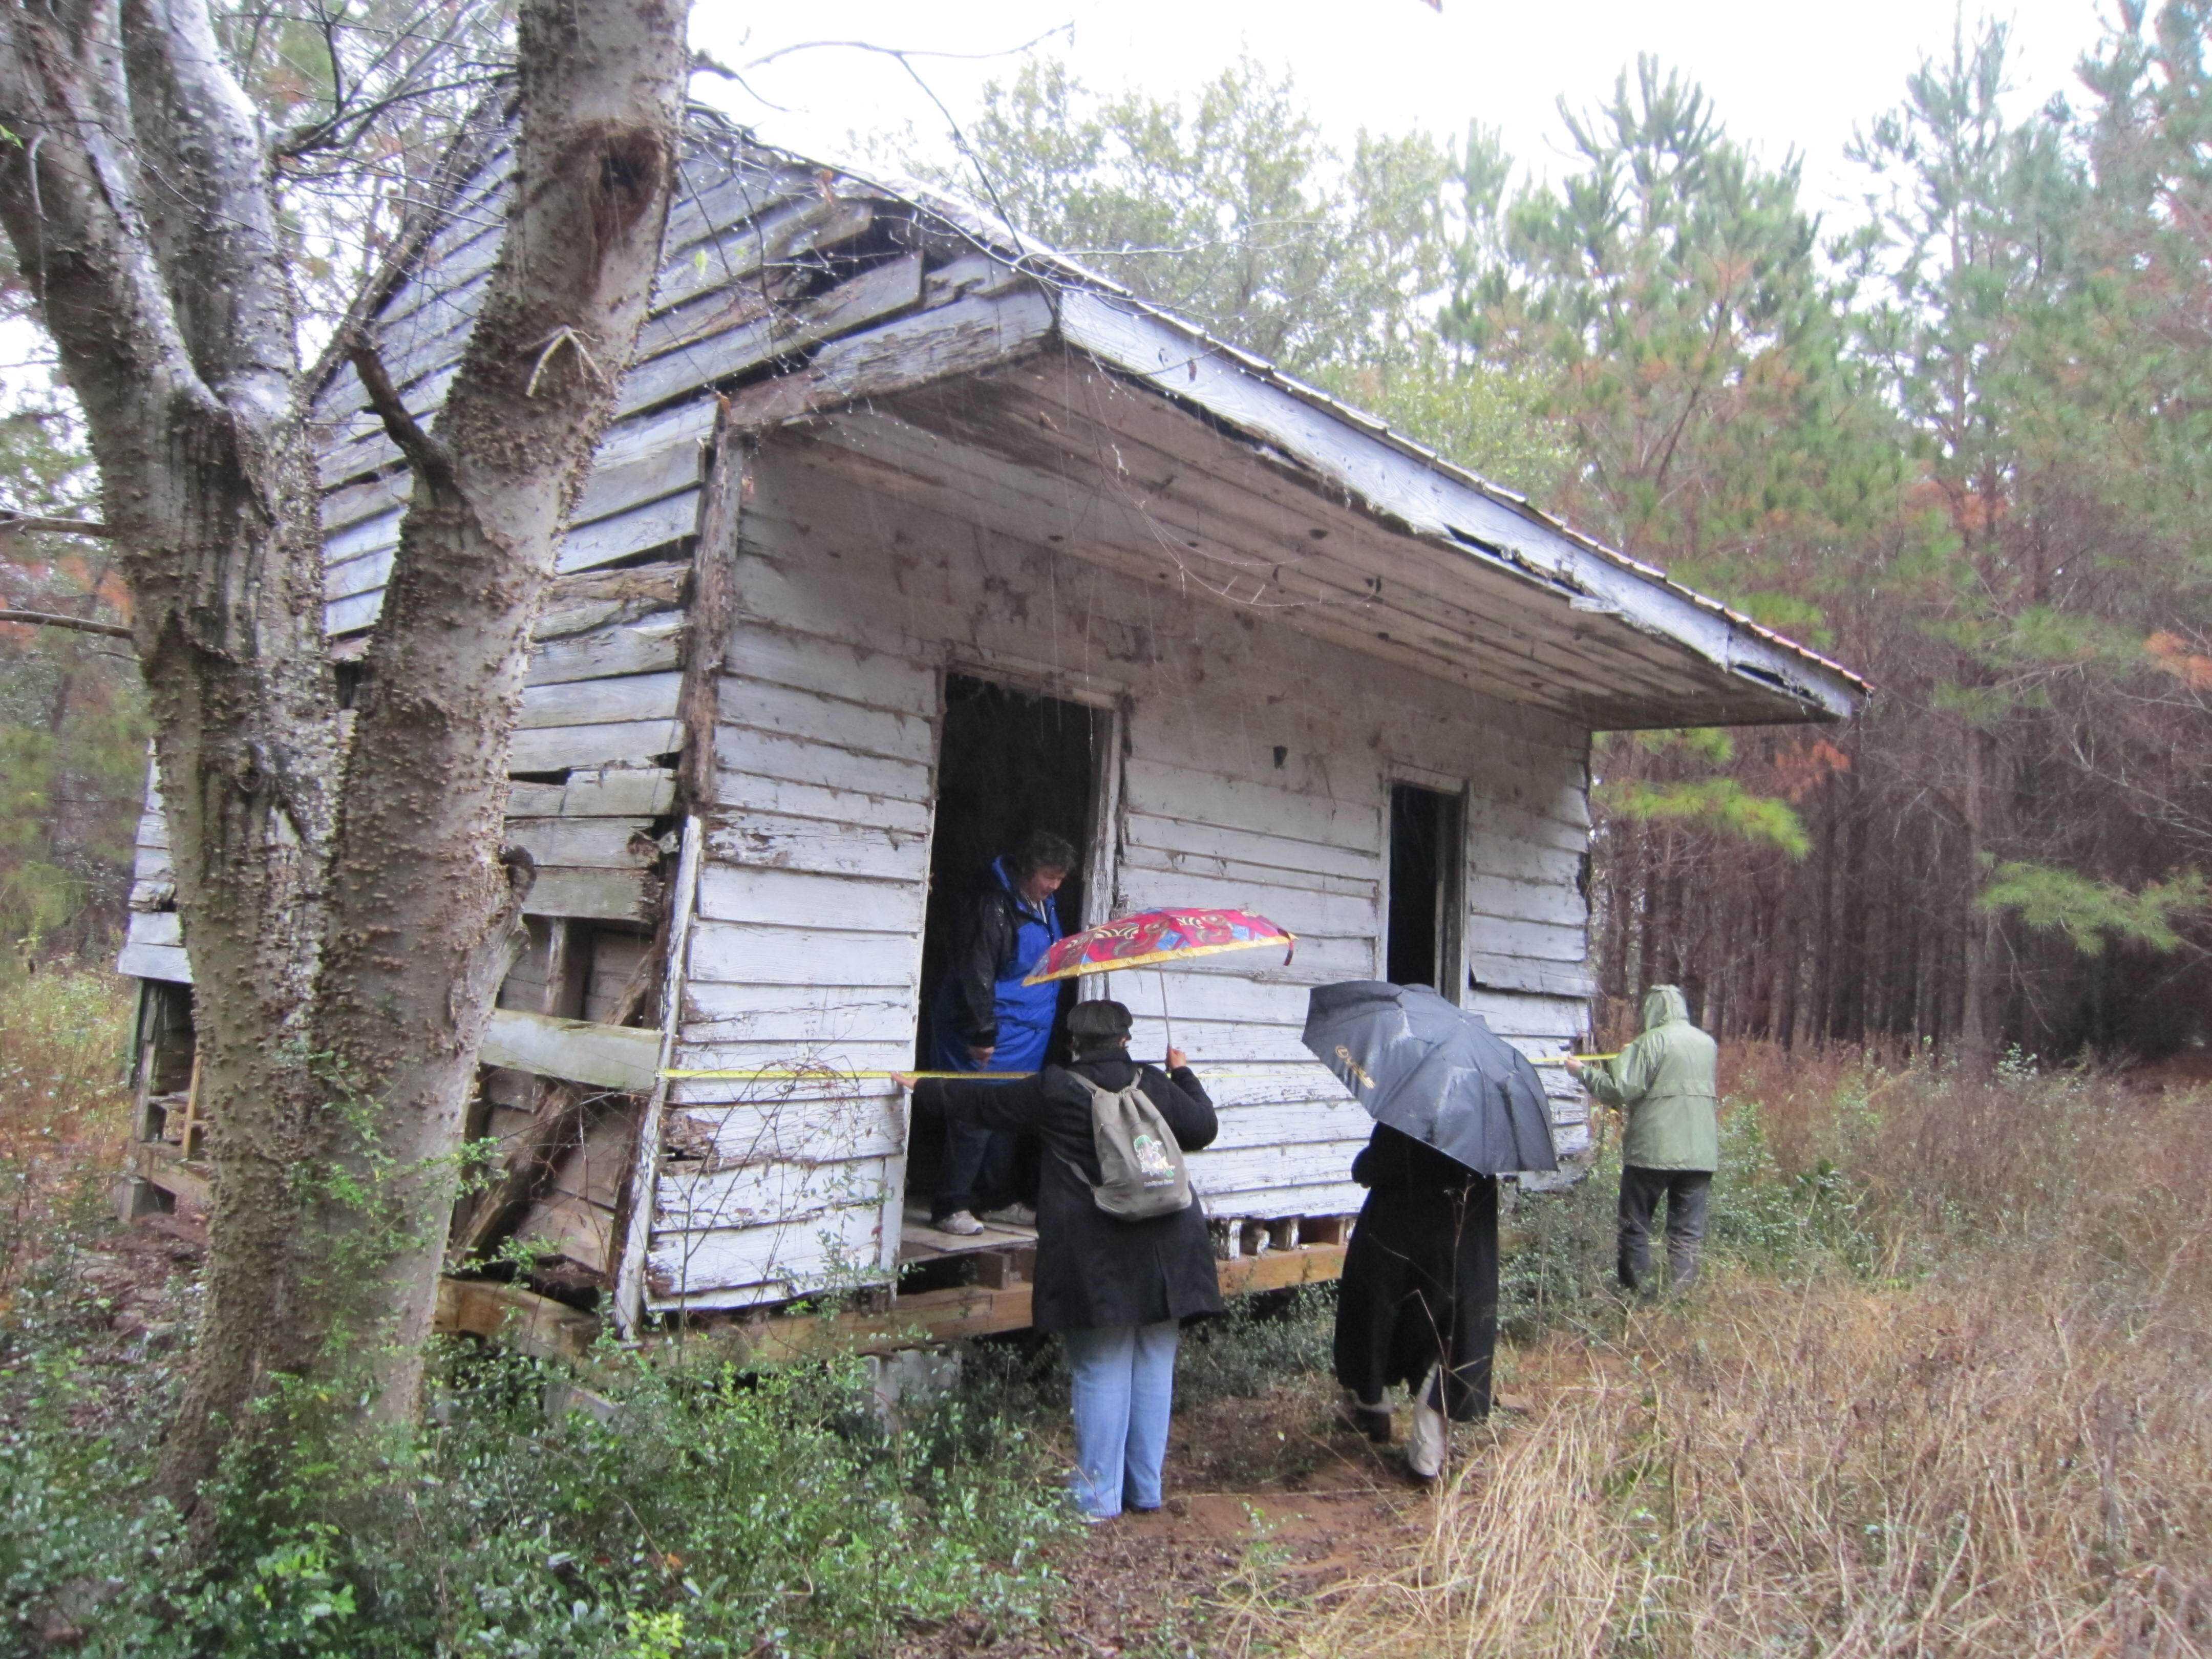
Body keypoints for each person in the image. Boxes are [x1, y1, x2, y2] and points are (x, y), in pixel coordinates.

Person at [901, 999, 1222, 1520]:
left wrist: (925, 1087)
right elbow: (1203, 1128)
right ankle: (1145, 1491)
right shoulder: (1153, 1082)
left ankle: (1097, 1500)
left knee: (1101, 1366)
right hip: (1170, 1243)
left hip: (1097, 1250)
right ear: (1125, 1039)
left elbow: (985, 1106)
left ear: (1073, 1042)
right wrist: (1182, 1072)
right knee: (1154, 1364)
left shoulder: (1055, 1088)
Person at [926, 829, 1076, 1235]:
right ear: (1028, 870)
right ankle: (951, 1205)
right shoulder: (992, 904)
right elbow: (976, 971)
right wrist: (982, 1031)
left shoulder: (1044, 903)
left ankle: (995, 1199)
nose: (1055, 886)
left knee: (1010, 1112)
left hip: (1027, 1032)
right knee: (974, 1112)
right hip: (990, 1027)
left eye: (1060, 879)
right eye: (1049, 877)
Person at [1331, 1122, 1497, 1482]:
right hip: (1461, 1250)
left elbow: (1370, 1168)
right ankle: (1426, 1460)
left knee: (1377, 1318)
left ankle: (1373, 1407)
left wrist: (1365, 1161)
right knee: (1444, 1347)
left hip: (1398, 1242)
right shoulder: (1487, 1126)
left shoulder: (1409, 1112)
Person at [1568, 984, 1720, 1296]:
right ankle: (1681, 1304)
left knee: (1634, 1228)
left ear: (1653, 1010)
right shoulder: (1707, 1044)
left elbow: (1618, 1090)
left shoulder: (1649, 1043)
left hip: (1652, 1153)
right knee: (1687, 1235)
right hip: (1701, 1154)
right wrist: (1633, 1054)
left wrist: (1582, 1072)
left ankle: (1638, 1301)